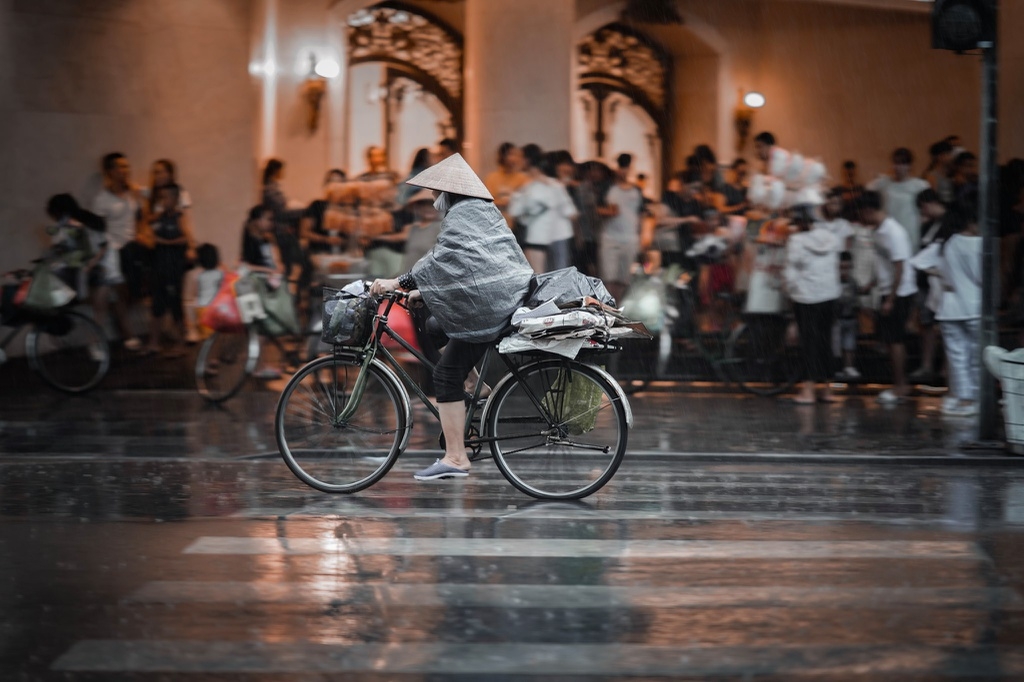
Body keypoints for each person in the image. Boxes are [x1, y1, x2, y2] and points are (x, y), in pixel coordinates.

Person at [369, 153, 533, 481]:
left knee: (445, 375)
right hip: (502, 295)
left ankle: (456, 457)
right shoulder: (480, 210)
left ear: (449, 193)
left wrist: (398, 282)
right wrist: (422, 292)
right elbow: (465, 264)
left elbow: (442, 258)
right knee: (432, 324)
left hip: (492, 302)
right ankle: (475, 384)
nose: (431, 200)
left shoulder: (463, 214)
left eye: (434, 193)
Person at [860, 190, 917, 404]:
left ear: (869, 211)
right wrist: (872, 283)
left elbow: (900, 266)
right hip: (888, 290)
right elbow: (883, 263)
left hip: (901, 291)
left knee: (895, 340)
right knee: (890, 339)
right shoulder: (878, 230)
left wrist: (891, 299)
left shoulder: (893, 231)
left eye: (862, 215)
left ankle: (901, 386)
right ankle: (899, 383)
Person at [783, 204, 841, 404]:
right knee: (825, 340)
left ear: (800, 222)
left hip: (806, 297)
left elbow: (791, 272)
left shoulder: (796, 241)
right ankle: (827, 389)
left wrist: (789, 291)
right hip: (829, 295)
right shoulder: (831, 238)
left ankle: (808, 390)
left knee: (809, 343)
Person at [91, 152, 144, 351]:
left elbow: (140, 218)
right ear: (109, 171)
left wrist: (140, 234)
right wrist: (100, 255)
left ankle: (126, 333)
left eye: (127, 167)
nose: (125, 171)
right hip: (111, 253)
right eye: (120, 167)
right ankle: (96, 342)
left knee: (125, 295)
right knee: (102, 298)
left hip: (130, 251)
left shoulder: (133, 194)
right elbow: (96, 229)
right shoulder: (101, 199)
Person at [138, 184, 195, 357]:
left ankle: (181, 343)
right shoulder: (158, 217)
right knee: (157, 305)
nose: (164, 201)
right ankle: (153, 343)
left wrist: (166, 242)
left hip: (174, 268)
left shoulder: (180, 217)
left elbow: (186, 237)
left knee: (175, 304)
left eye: (168, 197)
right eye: (162, 197)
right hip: (159, 266)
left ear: (176, 199)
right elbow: (145, 232)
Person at [935, 206, 981, 417]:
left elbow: (925, 264)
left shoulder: (948, 243)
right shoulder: (978, 244)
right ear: (971, 222)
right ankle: (976, 399)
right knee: (976, 357)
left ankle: (962, 399)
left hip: (949, 309)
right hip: (973, 307)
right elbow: (981, 278)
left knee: (957, 358)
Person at [508, 144, 577, 273]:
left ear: (527, 160)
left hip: (539, 238)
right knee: (556, 279)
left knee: (541, 279)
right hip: (556, 237)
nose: (517, 160)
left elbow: (515, 212)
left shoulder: (530, 187)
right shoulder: (551, 185)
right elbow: (570, 212)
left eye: (520, 156)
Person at [908, 189, 953, 384]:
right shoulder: (928, 226)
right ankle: (926, 365)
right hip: (925, 281)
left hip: (942, 281)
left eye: (923, 208)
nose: (923, 212)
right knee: (926, 324)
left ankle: (946, 368)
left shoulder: (951, 222)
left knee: (945, 326)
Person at [597, 153, 644, 303]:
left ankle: (619, 307)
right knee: (609, 277)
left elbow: (642, 214)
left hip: (630, 238)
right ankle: (610, 307)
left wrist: (643, 237)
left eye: (626, 168)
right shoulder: (607, 187)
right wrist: (607, 212)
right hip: (610, 238)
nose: (623, 171)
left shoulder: (637, 191)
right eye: (621, 168)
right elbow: (597, 209)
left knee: (624, 279)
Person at [868, 148, 931, 251]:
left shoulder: (920, 185)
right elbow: (867, 192)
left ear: (910, 165)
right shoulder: (884, 183)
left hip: (910, 230)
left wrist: (921, 221)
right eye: (896, 163)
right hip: (888, 230)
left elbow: (929, 209)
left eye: (903, 163)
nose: (898, 167)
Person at [302, 169, 351, 256]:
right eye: (331, 182)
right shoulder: (316, 205)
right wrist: (326, 239)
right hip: (319, 253)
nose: (334, 186)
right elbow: (304, 232)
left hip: (343, 254)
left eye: (339, 183)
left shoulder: (347, 209)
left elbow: (352, 235)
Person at [183, 243, 224, 344]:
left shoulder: (192, 275)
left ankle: (193, 331)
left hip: (202, 313)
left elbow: (188, 300)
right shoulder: (222, 272)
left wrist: (191, 325)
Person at [484, 142, 529, 230]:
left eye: (516, 155)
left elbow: (524, 202)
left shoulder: (523, 178)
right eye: (511, 154)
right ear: (502, 156)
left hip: (517, 225)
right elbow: (488, 201)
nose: (515, 158)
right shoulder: (492, 177)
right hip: (496, 224)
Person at [834, 251, 861, 381]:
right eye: (841, 268)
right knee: (836, 344)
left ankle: (848, 366)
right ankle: (836, 367)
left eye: (847, 268)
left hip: (850, 317)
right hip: (836, 319)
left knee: (849, 344)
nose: (844, 272)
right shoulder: (833, 283)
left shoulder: (852, 282)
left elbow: (856, 300)